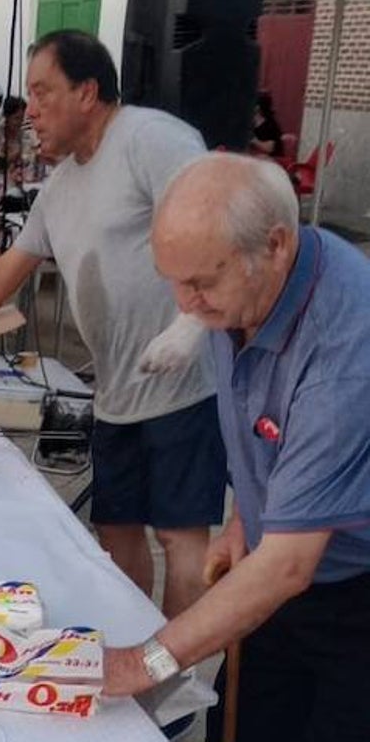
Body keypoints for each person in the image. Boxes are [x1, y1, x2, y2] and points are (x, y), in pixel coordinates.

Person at [0, 30, 225, 620]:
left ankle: (179, 683)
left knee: (181, 541)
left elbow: (222, 215)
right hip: (116, 392)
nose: (29, 110)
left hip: (185, 383)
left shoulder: (150, 138)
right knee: (115, 537)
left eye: (43, 92)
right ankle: (138, 660)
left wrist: (193, 324)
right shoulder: (59, 186)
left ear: (88, 92)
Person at [105, 152, 370, 742]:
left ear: (275, 246)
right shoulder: (245, 285)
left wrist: (144, 662)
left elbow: (287, 567)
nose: (186, 305)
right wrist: (247, 516)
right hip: (284, 570)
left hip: (352, 594)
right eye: (173, 280)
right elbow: (267, 425)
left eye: (200, 283)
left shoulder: (343, 348)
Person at [249, 91, 284, 158]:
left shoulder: (270, 124)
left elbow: (270, 148)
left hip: (272, 158)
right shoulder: (251, 123)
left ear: (257, 107)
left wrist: (254, 140)